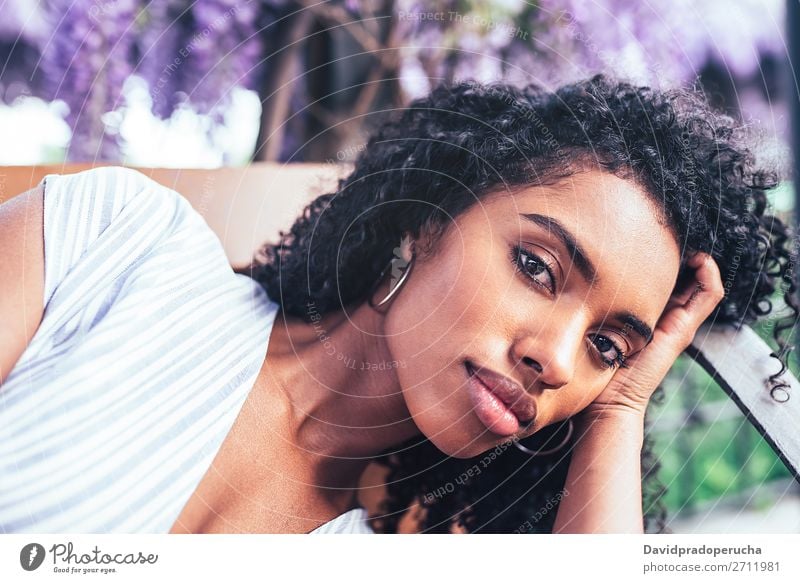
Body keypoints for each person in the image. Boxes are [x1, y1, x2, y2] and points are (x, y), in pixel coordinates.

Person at [0, 74, 795, 534]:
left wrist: (620, 408)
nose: (556, 359)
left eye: (608, 347)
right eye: (537, 266)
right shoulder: (114, 246)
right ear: (429, 219)